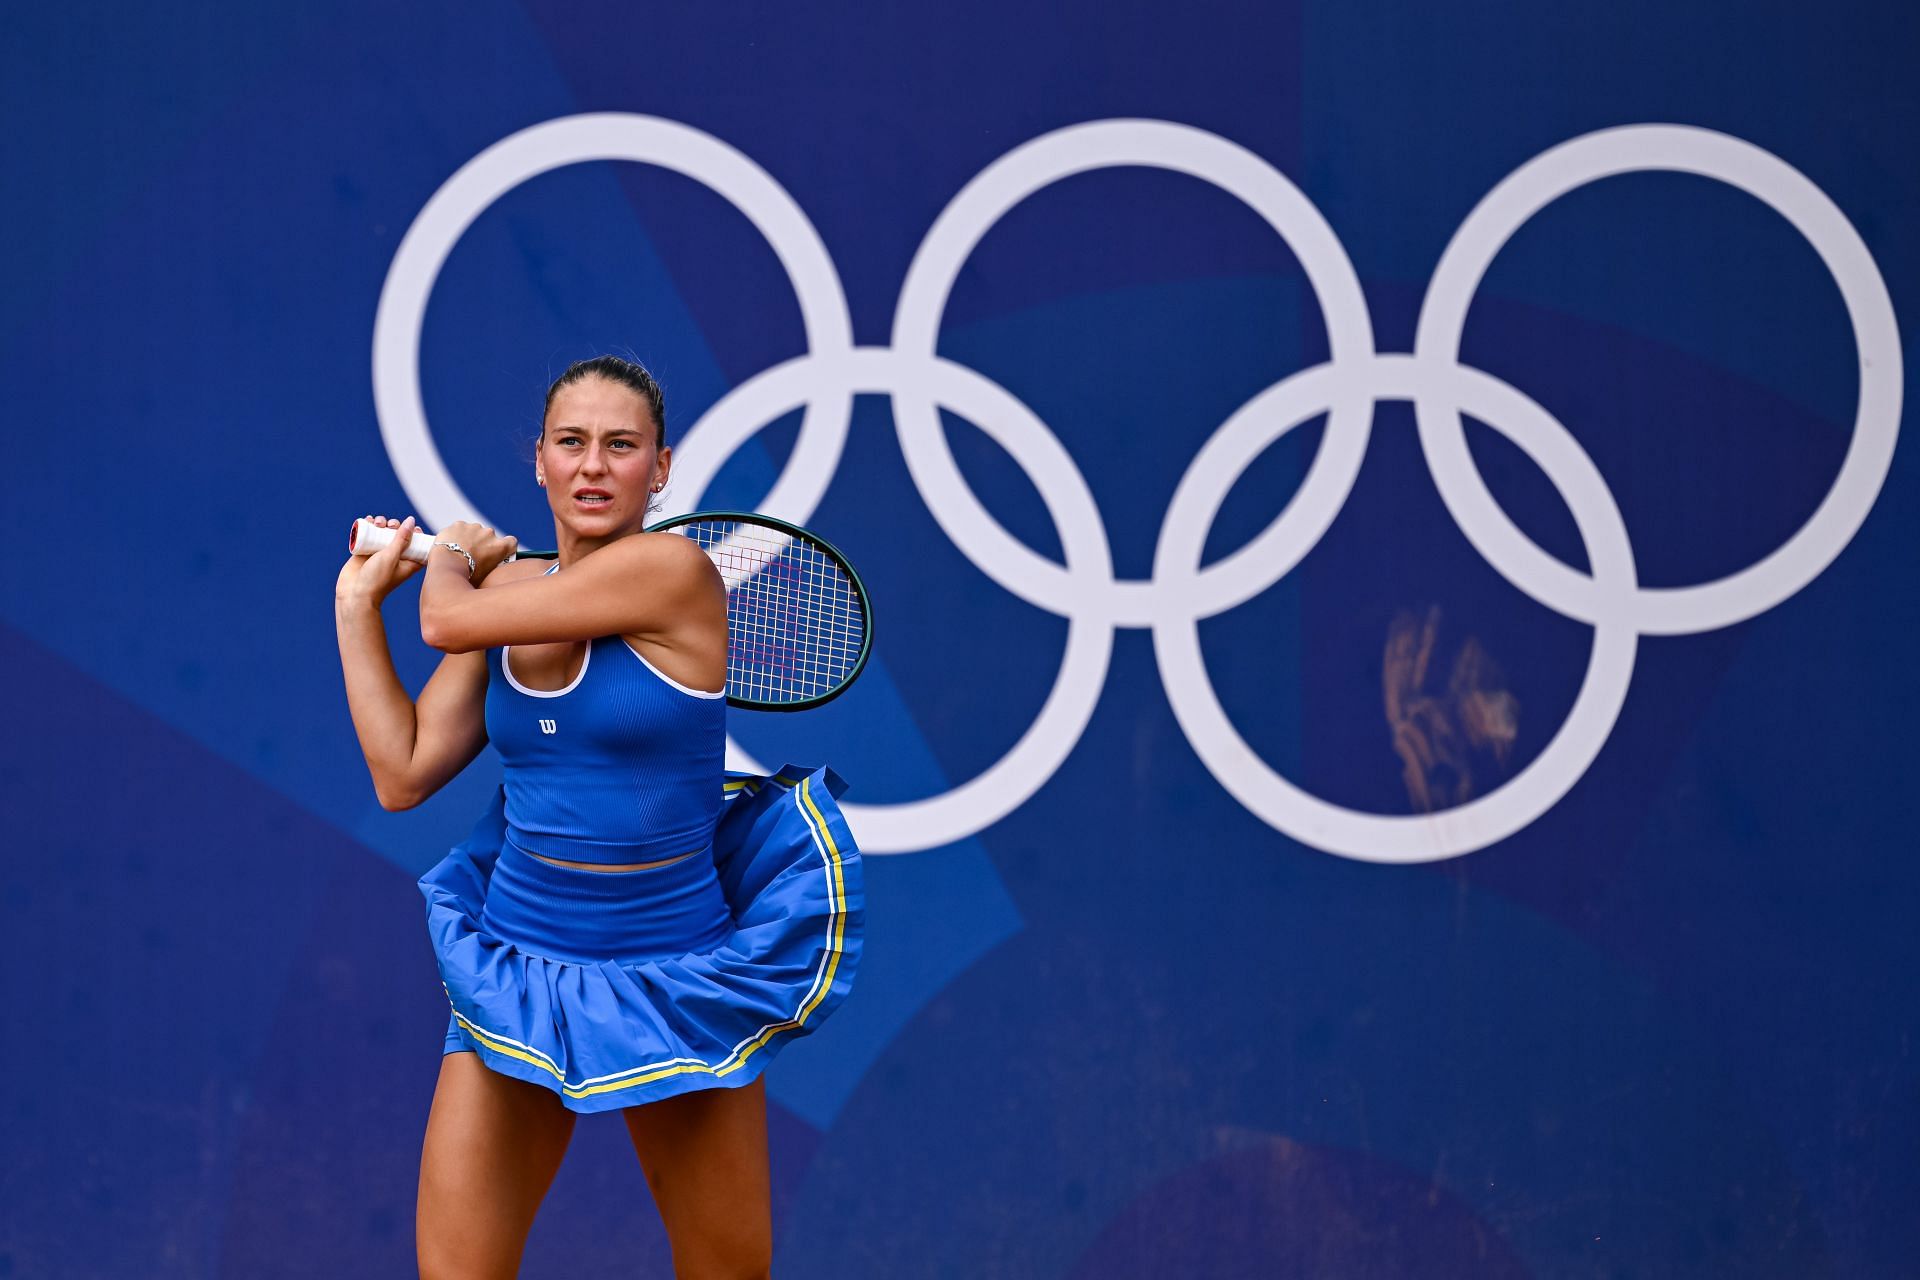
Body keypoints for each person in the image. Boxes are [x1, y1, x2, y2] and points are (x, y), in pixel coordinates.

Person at [334, 355, 862, 1279]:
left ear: (660, 470)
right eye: (571, 443)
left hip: (677, 977)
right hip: (518, 971)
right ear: (537, 460)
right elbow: (403, 771)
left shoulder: (673, 572)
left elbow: (445, 620)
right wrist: (355, 605)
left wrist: (452, 555)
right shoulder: (499, 599)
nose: (593, 467)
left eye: (621, 446)